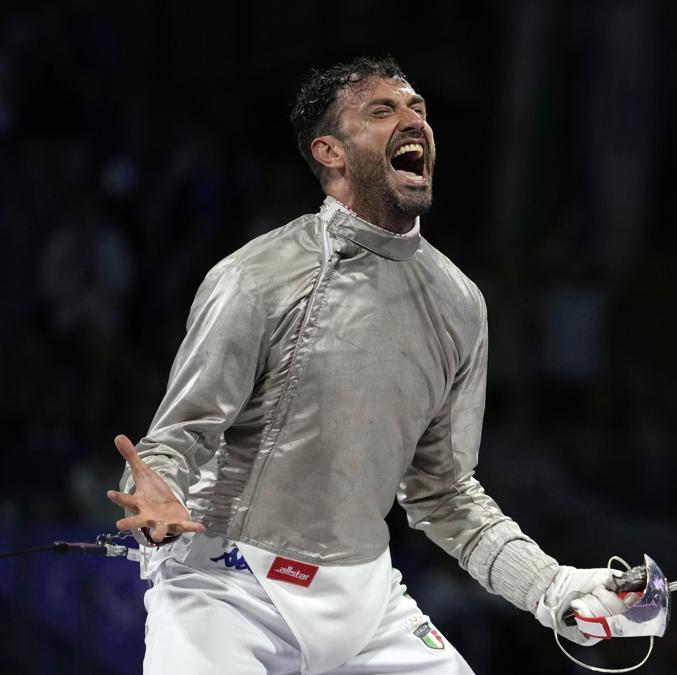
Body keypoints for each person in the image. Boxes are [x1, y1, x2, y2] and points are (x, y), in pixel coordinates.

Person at [107, 56, 640, 675]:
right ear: (330, 152)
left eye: (418, 109)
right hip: (228, 590)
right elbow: (179, 438)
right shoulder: (256, 278)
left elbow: (443, 493)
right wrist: (159, 491)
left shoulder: (459, 303)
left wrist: (551, 589)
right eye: (382, 110)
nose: (413, 119)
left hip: (367, 604)